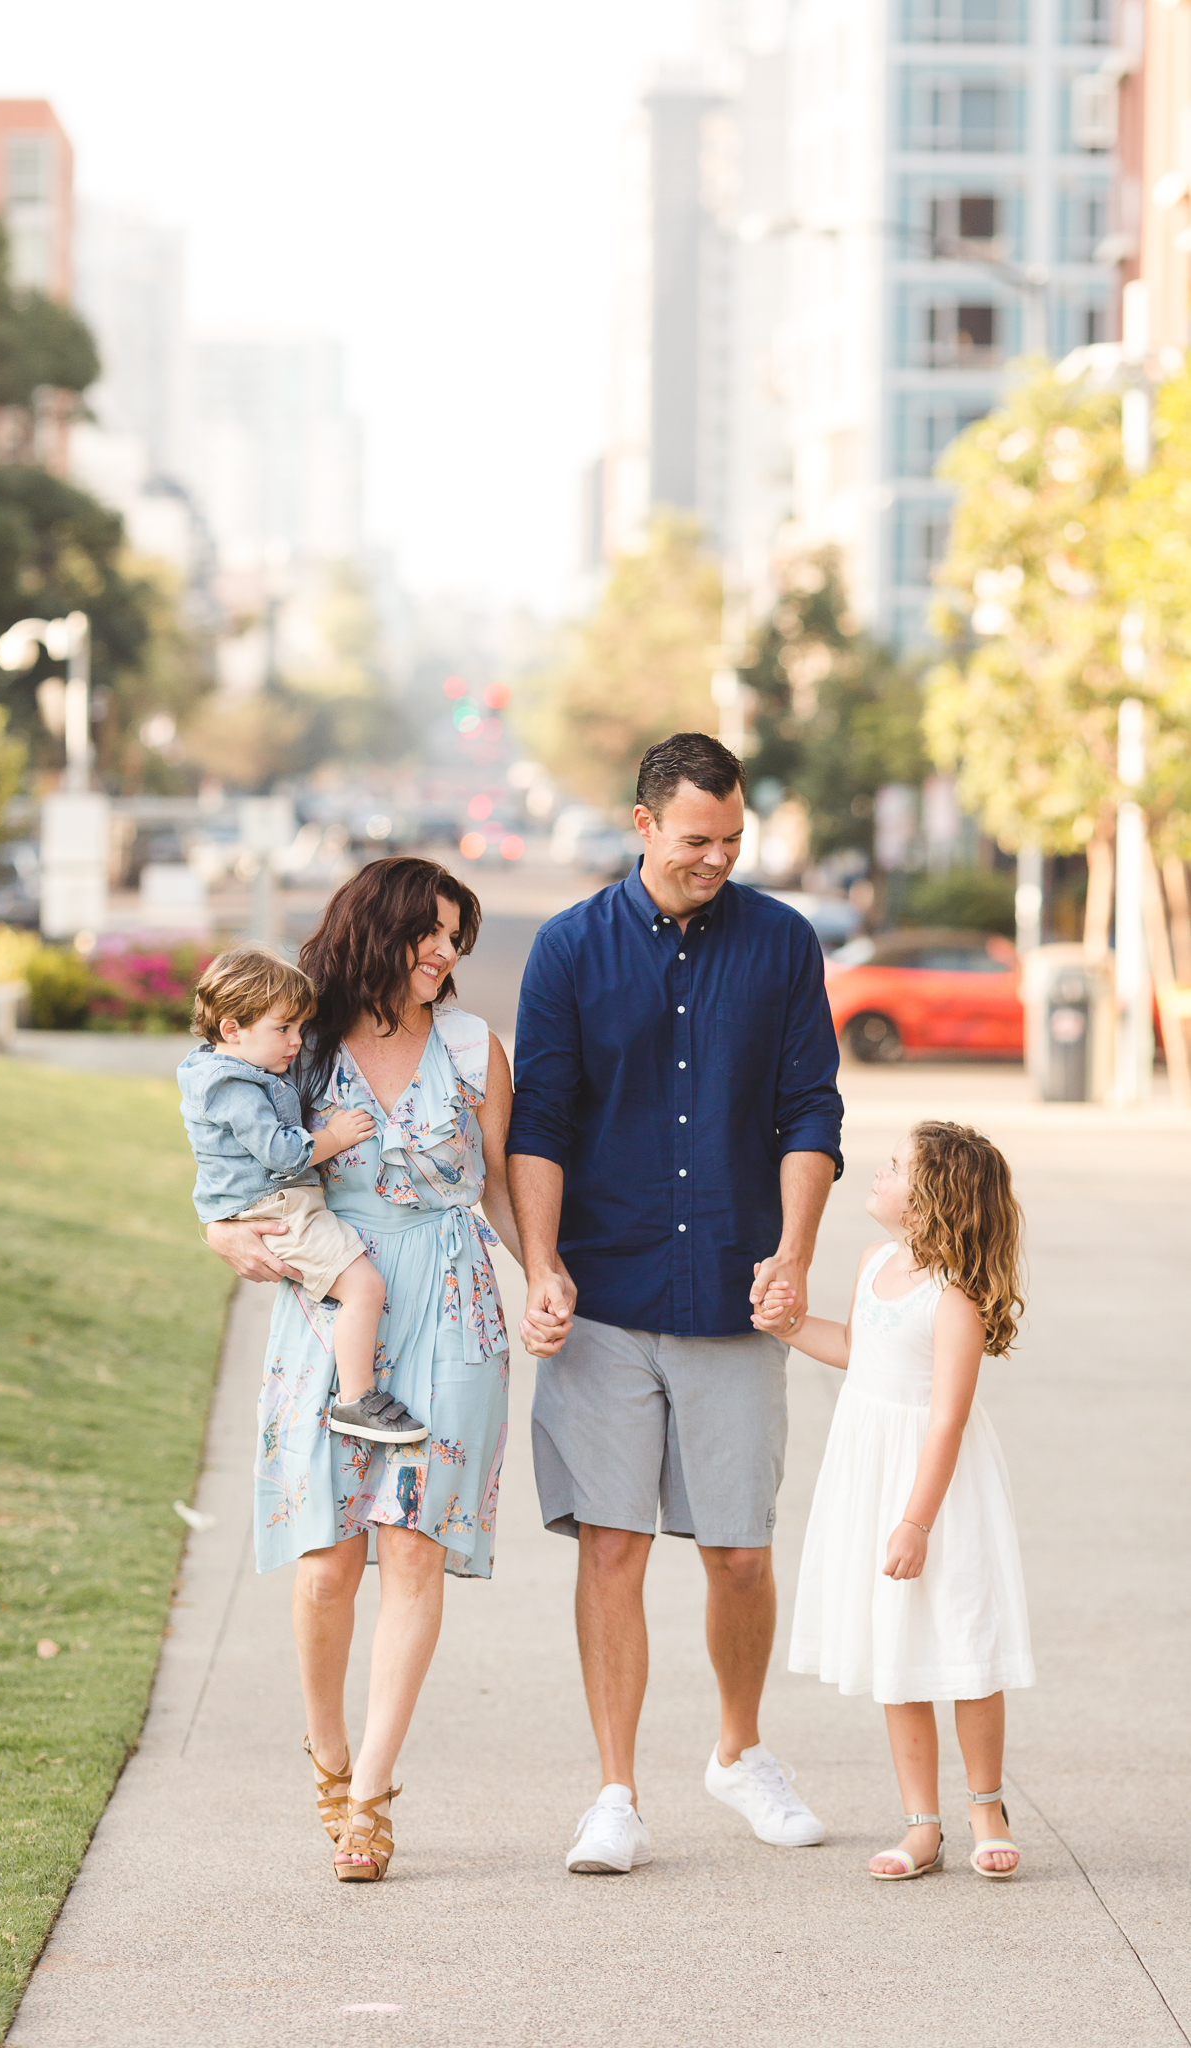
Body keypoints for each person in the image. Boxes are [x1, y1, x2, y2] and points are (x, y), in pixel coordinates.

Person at [507, 730, 844, 1875]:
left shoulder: (783, 943)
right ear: (643, 824)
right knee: (611, 1545)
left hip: (738, 1292)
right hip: (605, 1294)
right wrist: (541, 1264)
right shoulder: (568, 949)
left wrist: (794, 1252)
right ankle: (615, 1792)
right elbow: (540, 1121)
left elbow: (810, 1111)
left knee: (740, 1549)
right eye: (697, 838)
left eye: (733, 838)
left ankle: (740, 1752)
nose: (717, 857)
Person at [203, 858, 521, 1884]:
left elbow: (503, 1185)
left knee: (414, 1550)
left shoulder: (473, 1045)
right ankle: (328, 1755)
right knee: (328, 1559)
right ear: (376, 930)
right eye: (430, 931)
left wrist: (548, 1273)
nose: (445, 952)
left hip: (454, 1298)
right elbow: (227, 1146)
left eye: (456, 937)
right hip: (336, 1299)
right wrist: (217, 1229)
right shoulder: (302, 1039)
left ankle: (373, 1797)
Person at [767, 1121, 1034, 1881]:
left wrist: (915, 1520)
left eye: (893, 1170)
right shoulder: (873, 1263)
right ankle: (922, 1823)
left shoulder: (953, 1300)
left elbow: (946, 1416)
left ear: (929, 1203)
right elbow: (858, 1351)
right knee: (897, 1652)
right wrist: (788, 1327)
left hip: (936, 1491)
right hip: (871, 1476)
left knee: (963, 1641)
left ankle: (986, 1807)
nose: (876, 1176)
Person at [178, 945, 428, 1444]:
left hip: (279, 1203)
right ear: (232, 1029)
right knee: (364, 1288)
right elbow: (280, 1152)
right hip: (277, 1207)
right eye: (283, 1029)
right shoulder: (231, 1084)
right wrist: (333, 1137)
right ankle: (356, 1399)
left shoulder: (238, 1065)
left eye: (298, 1028)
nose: (296, 1042)